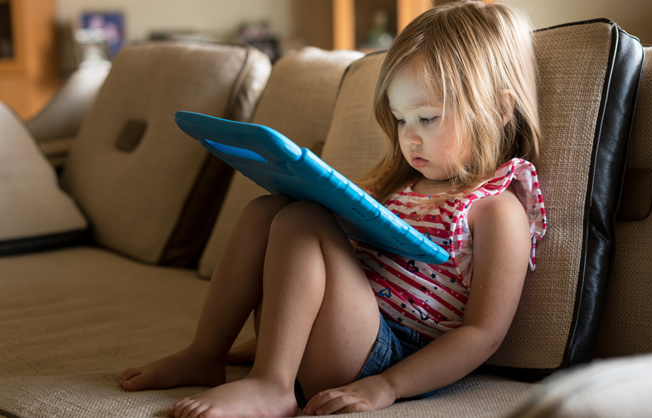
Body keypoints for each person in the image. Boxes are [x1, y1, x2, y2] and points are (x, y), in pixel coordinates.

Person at [118, 1, 547, 416]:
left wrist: (388, 386)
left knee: (303, 221)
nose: (409, 138)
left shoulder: (496, 210)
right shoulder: (401, 185)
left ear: (499, 107)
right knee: (268, 210)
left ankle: (274, 386)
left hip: (384, 357)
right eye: (400, 120)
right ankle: (204, 354)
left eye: (427, 118)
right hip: (333, 333)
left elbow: (483, 334)